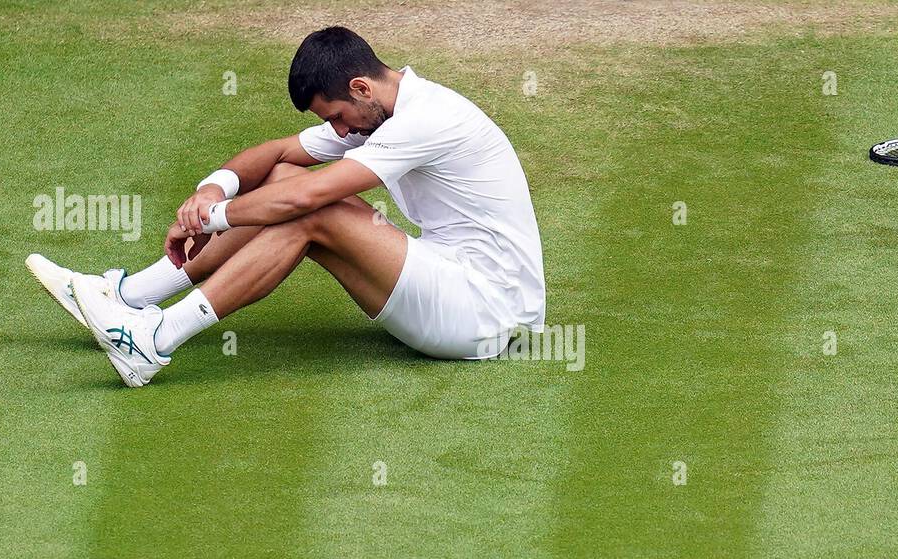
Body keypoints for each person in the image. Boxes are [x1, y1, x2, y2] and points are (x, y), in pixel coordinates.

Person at [27, 26, 545, 387]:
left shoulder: (429, 118)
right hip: (447, 282)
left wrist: (211, 219)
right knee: (284, 177)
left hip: (485, 313)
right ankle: (131, 296)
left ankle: (154, 339)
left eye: (340, 116)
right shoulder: (376, 109)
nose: (340, 132)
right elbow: (277, 156)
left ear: (361, 88)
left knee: (312, 210)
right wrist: (212, 190)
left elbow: (308, 198)